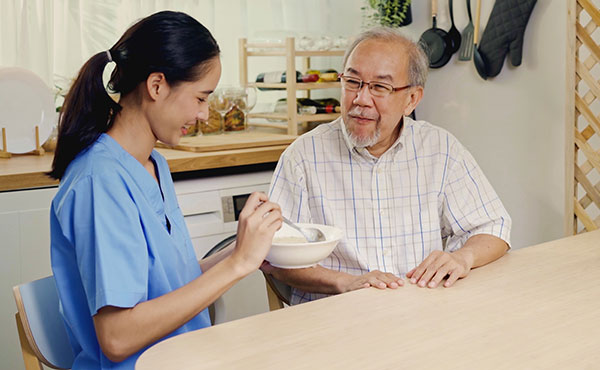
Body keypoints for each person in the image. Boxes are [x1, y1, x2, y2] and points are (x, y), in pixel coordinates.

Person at [48, 11, 282, 369]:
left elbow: (169, 287)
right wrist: (237, 264)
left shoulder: (153, 164)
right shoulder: (100, 183)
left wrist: (244, 252)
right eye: (201, 98)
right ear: (156, 86)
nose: (205, 114)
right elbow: (117, 337)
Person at [263, 27, 511, 305]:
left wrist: (462, 258)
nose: (360, 99)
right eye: (352, 82)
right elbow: (275, 258)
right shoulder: (303, 157)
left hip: (422, 311)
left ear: (412, 99)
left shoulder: (440, 149)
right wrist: (347, 283)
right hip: (335, 318)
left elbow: (493, 227)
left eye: (380, 87)